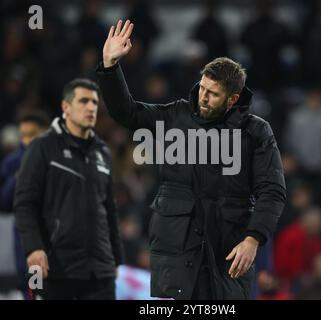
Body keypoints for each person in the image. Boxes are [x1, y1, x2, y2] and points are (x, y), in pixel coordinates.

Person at [96, 20, 286, 300]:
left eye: (213, 94)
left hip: (228, 254)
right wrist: (110, 68)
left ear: (232, 99)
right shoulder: (176, 116)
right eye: (202, 88)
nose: (203, 98)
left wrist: (253, 239)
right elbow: (128, 113)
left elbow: (273, 191)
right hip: (177, 252)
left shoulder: (256, 132)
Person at [14, 79, 123, 300]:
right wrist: (33, 248)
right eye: (83, 101)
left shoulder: (103, 152)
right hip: (53, 268)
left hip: (99, 271)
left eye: (94, 102)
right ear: (66, 107)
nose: (91, 107)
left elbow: (109, 209)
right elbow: (25, 204)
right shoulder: (42, 147)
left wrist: (116, 259)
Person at [0, 111, 50, 300]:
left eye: (33, 134)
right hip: (26, 241)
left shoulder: (58, 159)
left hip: (55, 240)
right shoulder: (12, 163)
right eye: (24, 135)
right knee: (31, 289)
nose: (27, 139)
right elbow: (4, 203)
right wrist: (20, 176)